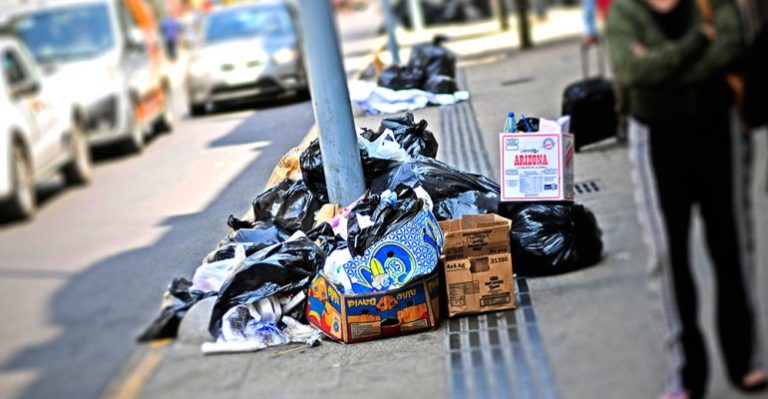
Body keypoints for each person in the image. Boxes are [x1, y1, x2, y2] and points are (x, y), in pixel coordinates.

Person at [605, 0, 767, 398]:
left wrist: (661, 65)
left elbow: (729, 49)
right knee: (667, 255)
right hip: (657, 141)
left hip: (718, 131)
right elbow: (631, 71)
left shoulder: (713, 3)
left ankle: (743, 360)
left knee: (731, 246)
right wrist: (697, 43)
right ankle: (687, 374)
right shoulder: (627, 11)